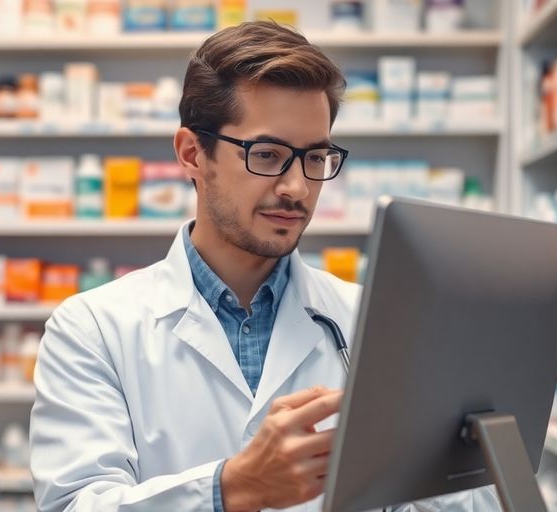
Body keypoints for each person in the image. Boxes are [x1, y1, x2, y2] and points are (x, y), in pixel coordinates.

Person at [29, 21, 500, 512]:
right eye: (269, 154)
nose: (297, 187)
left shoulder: (377, 320)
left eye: (315, 157)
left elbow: (466, 499)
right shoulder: (92, 329)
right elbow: (75, 505)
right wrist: (232, 488)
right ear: (193, 154)